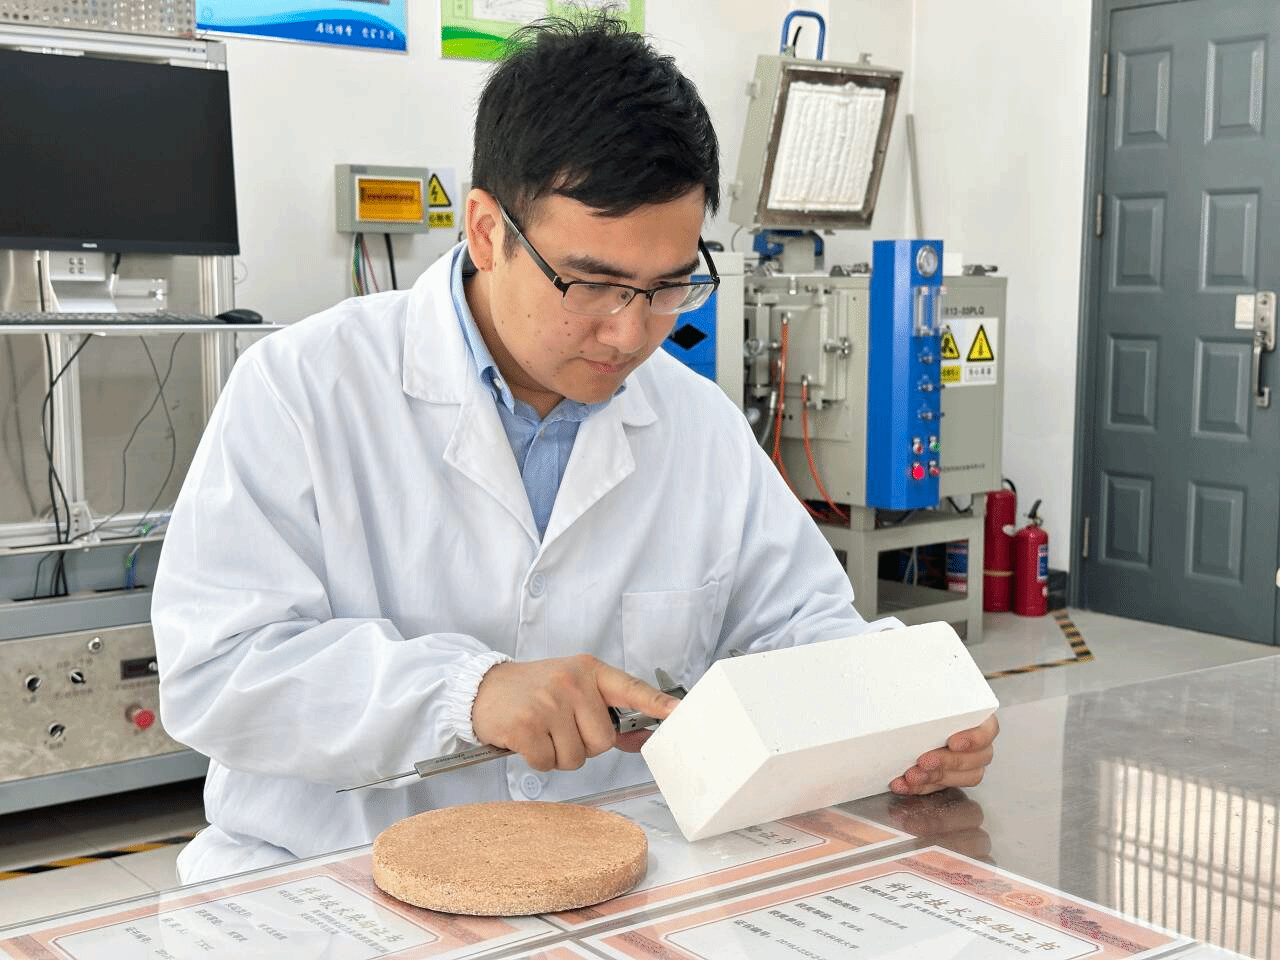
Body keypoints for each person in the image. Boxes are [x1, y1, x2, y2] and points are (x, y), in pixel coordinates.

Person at [152, 13, 998, 884]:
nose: (631, 333)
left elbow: (800, 627)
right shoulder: (303, 390)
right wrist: (468, 693)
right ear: (487, 231)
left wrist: (902, 710)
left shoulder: (696, 424)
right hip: (334, 882)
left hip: (611, 875)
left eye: (670, 286)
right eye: (593, 284)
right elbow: (215, 669)